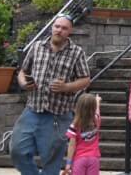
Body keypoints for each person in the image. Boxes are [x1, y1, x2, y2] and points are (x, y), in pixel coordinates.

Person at [12, 14, 91, 175]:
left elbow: (85, 80)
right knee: (17, 151)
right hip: (32, 110)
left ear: (70, 31)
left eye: (64, 28)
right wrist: (24, 83)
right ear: (52, 27)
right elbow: (22, 71)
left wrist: (66, 86)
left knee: (51, 160)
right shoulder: (37, 47)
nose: (59, 30)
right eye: (57, 26)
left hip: (58, 115)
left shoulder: (76, 52)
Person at [61, 93, 100, 175]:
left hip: (79, 159)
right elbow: (97, 111)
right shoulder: (96, 120)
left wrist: (68, 163)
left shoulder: (74, 125)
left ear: (78, 108)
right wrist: (97, 101)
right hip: (94, 158)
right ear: (93, 108)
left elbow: (71, 146)